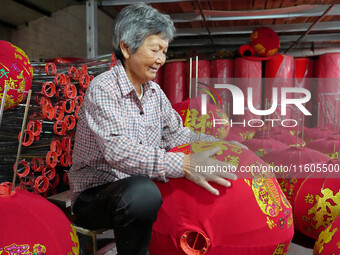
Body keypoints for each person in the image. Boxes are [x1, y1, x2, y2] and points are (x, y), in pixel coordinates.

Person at [68, 3, 238, 255]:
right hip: (96, 195)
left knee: (162, 186)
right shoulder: (103, 88)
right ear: (126, 48)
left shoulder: (154, 93)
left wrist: (223, 146)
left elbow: (178, 135)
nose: (161, 60)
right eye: (155, 49)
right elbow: (117, 151)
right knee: (143, 192)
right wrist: (183, 164)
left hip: (136, 188)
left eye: (164, 51)